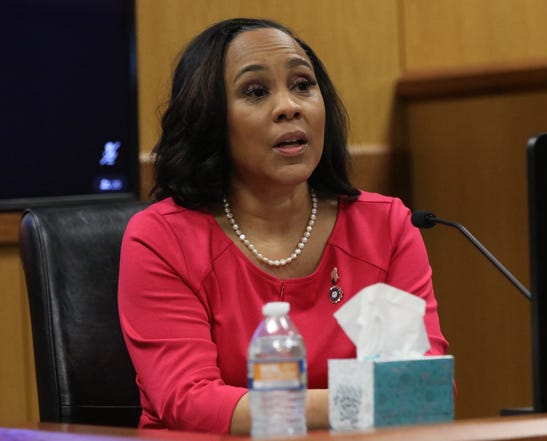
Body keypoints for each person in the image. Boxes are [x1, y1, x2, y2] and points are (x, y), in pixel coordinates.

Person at [118, 17, 449, 435]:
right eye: (255, 92)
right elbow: (191, 400)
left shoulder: (385, 226)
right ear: (210, 119)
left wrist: (378, 401)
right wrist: (362, 401)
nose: (289, 106)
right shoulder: (162, 239)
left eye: (302, 85)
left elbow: (424, 387)